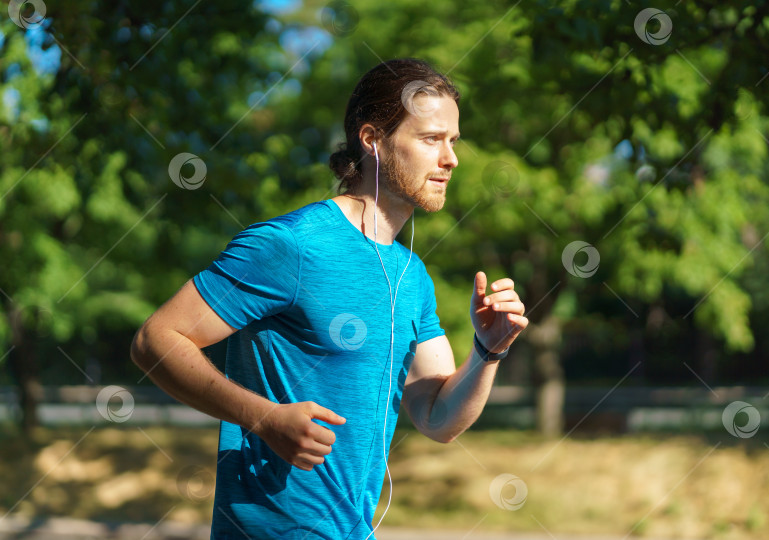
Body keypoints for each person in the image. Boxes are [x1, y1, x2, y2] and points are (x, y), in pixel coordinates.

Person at [130, 57, 528, 539]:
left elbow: (437, 417)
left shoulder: (412, 275)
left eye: (452, 141)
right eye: (430, 139)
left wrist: (489, 351)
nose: (451, 159)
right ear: (372, 140)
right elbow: (156, 340)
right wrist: (264, 418)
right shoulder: (291, 245)